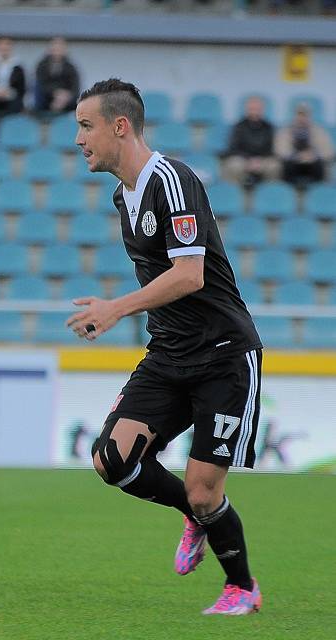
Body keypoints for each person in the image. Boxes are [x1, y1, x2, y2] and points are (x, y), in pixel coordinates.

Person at [67, 79, 263, 615]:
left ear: (119, 125)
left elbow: (190, 275)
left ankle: (241, 588)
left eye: (86, 126)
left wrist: (115, 308)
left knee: (204, 491)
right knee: (112, 460)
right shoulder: (121, 195)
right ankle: (196, 517)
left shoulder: (171, 181)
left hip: (223, 354)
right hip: (170, 353)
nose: (79, 139)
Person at [221, 96, 280, 188]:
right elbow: (233, 148)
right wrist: (249, 160)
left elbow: (273, 149)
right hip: (243, 159)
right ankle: (236, 193)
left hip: (263, 160)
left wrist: (259, 160)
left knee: (274, 166)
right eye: (252, 109)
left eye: (257, 109)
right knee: (234, 165)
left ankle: (267, 193)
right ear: (247, 110)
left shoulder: (269, 127)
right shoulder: (238, 127)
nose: (255, 111)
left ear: (262, 110)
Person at [275, 102, 334, 188]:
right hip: (292, 164)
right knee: (285, 165)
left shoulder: (320, 131)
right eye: (299, 114)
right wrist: (297, 156)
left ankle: (317, 193)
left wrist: (314, 155)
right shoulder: (285, 131)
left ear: (310, 116)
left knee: (320, 165)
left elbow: (329, 152)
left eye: (305, 115)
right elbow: (279, 150)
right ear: (295, 115)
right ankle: (289, 193)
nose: (302, 118)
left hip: (313, 164)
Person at [34, 37, 80, 115]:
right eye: (55, 48)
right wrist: (56, 93)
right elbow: (41, 84)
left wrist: (65, 97)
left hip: (66, 100)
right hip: (47, 98)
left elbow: (75, 87)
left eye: (60, 48)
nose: (57, 51)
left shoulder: (71, 67)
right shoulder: (42, 65)